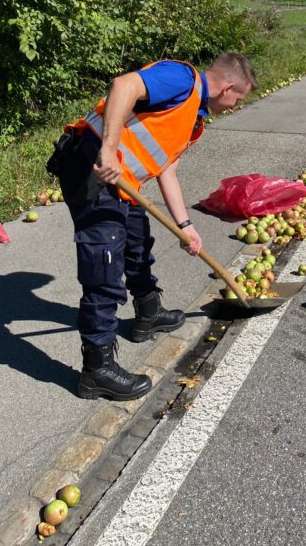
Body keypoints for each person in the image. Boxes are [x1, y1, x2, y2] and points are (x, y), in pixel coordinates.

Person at [47, 53, 257, 401]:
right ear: (228, 87)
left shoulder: (193, 118)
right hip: (92, 167)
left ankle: (149, 312)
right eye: (239, 98)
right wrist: (110, 149)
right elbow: (123, 85)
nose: (235, 105)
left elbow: (166, 171)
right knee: (104, 265)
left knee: (137, 240)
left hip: (121, 181)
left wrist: (185, 226)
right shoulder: (181, 79)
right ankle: (96, 371)